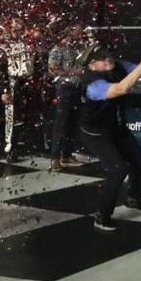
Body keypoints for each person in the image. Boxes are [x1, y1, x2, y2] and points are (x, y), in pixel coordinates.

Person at [78, 44, 141, 231]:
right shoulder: (92, 84)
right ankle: (101, 216)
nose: (109, 59)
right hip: (95, 132)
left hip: (116, 127)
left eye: (109, 55)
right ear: (92, 65)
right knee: (117, 169)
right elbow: (121, 89)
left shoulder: (117, 65)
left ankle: (133, 199)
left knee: (139, 161)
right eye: (103, 58)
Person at [48, 25, 91, 171]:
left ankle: (66, 155)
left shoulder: (80, 49)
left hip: (78, 89)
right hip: (64, 89)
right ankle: (55, 158)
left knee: (73, 123)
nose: (80, 33)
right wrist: (75, 72)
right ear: (69, 31)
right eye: (77, 30)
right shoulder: (58, 48)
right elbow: (53, 69)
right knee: (61, 123)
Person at [0, 18, 35, 163]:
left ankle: (14, 147)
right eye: (15, 28)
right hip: (10, 84)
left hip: (24, 84)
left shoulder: (25, 45)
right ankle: (9, 148)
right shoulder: (2, 47)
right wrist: (4, 90)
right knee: (10, 117)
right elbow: (0, 71)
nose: (18, 31)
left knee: (18, 118)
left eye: (20, 28)